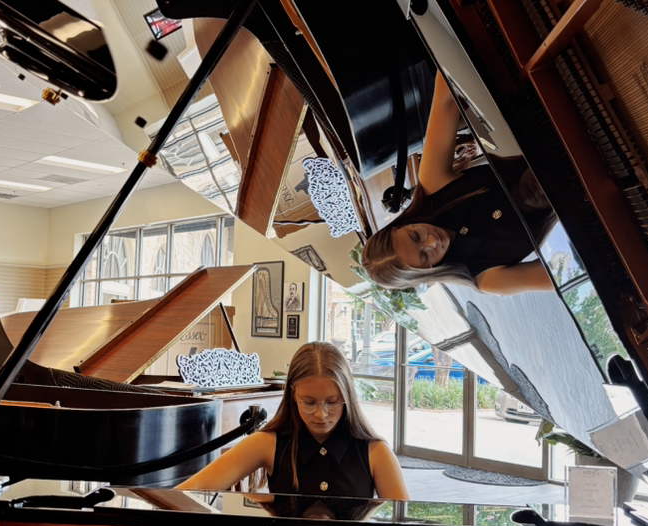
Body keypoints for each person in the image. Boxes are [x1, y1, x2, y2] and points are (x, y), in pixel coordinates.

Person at [362, 71, 556, 296]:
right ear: (425, 274)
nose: (432, 241)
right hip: (582, 192)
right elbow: (561, 274)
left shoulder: (433, 188)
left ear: (402, 225)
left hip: (547, 143)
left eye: (416, 236)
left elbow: (445, 98)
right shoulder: (484, 277)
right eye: (425, 257)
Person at [176, 342, 410, 499]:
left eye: (332, 402)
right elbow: (185, 493)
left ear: (348, 397)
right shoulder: (267, 443)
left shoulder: (376, 452)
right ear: (292, 394)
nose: (321, 414)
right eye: (309, 402)